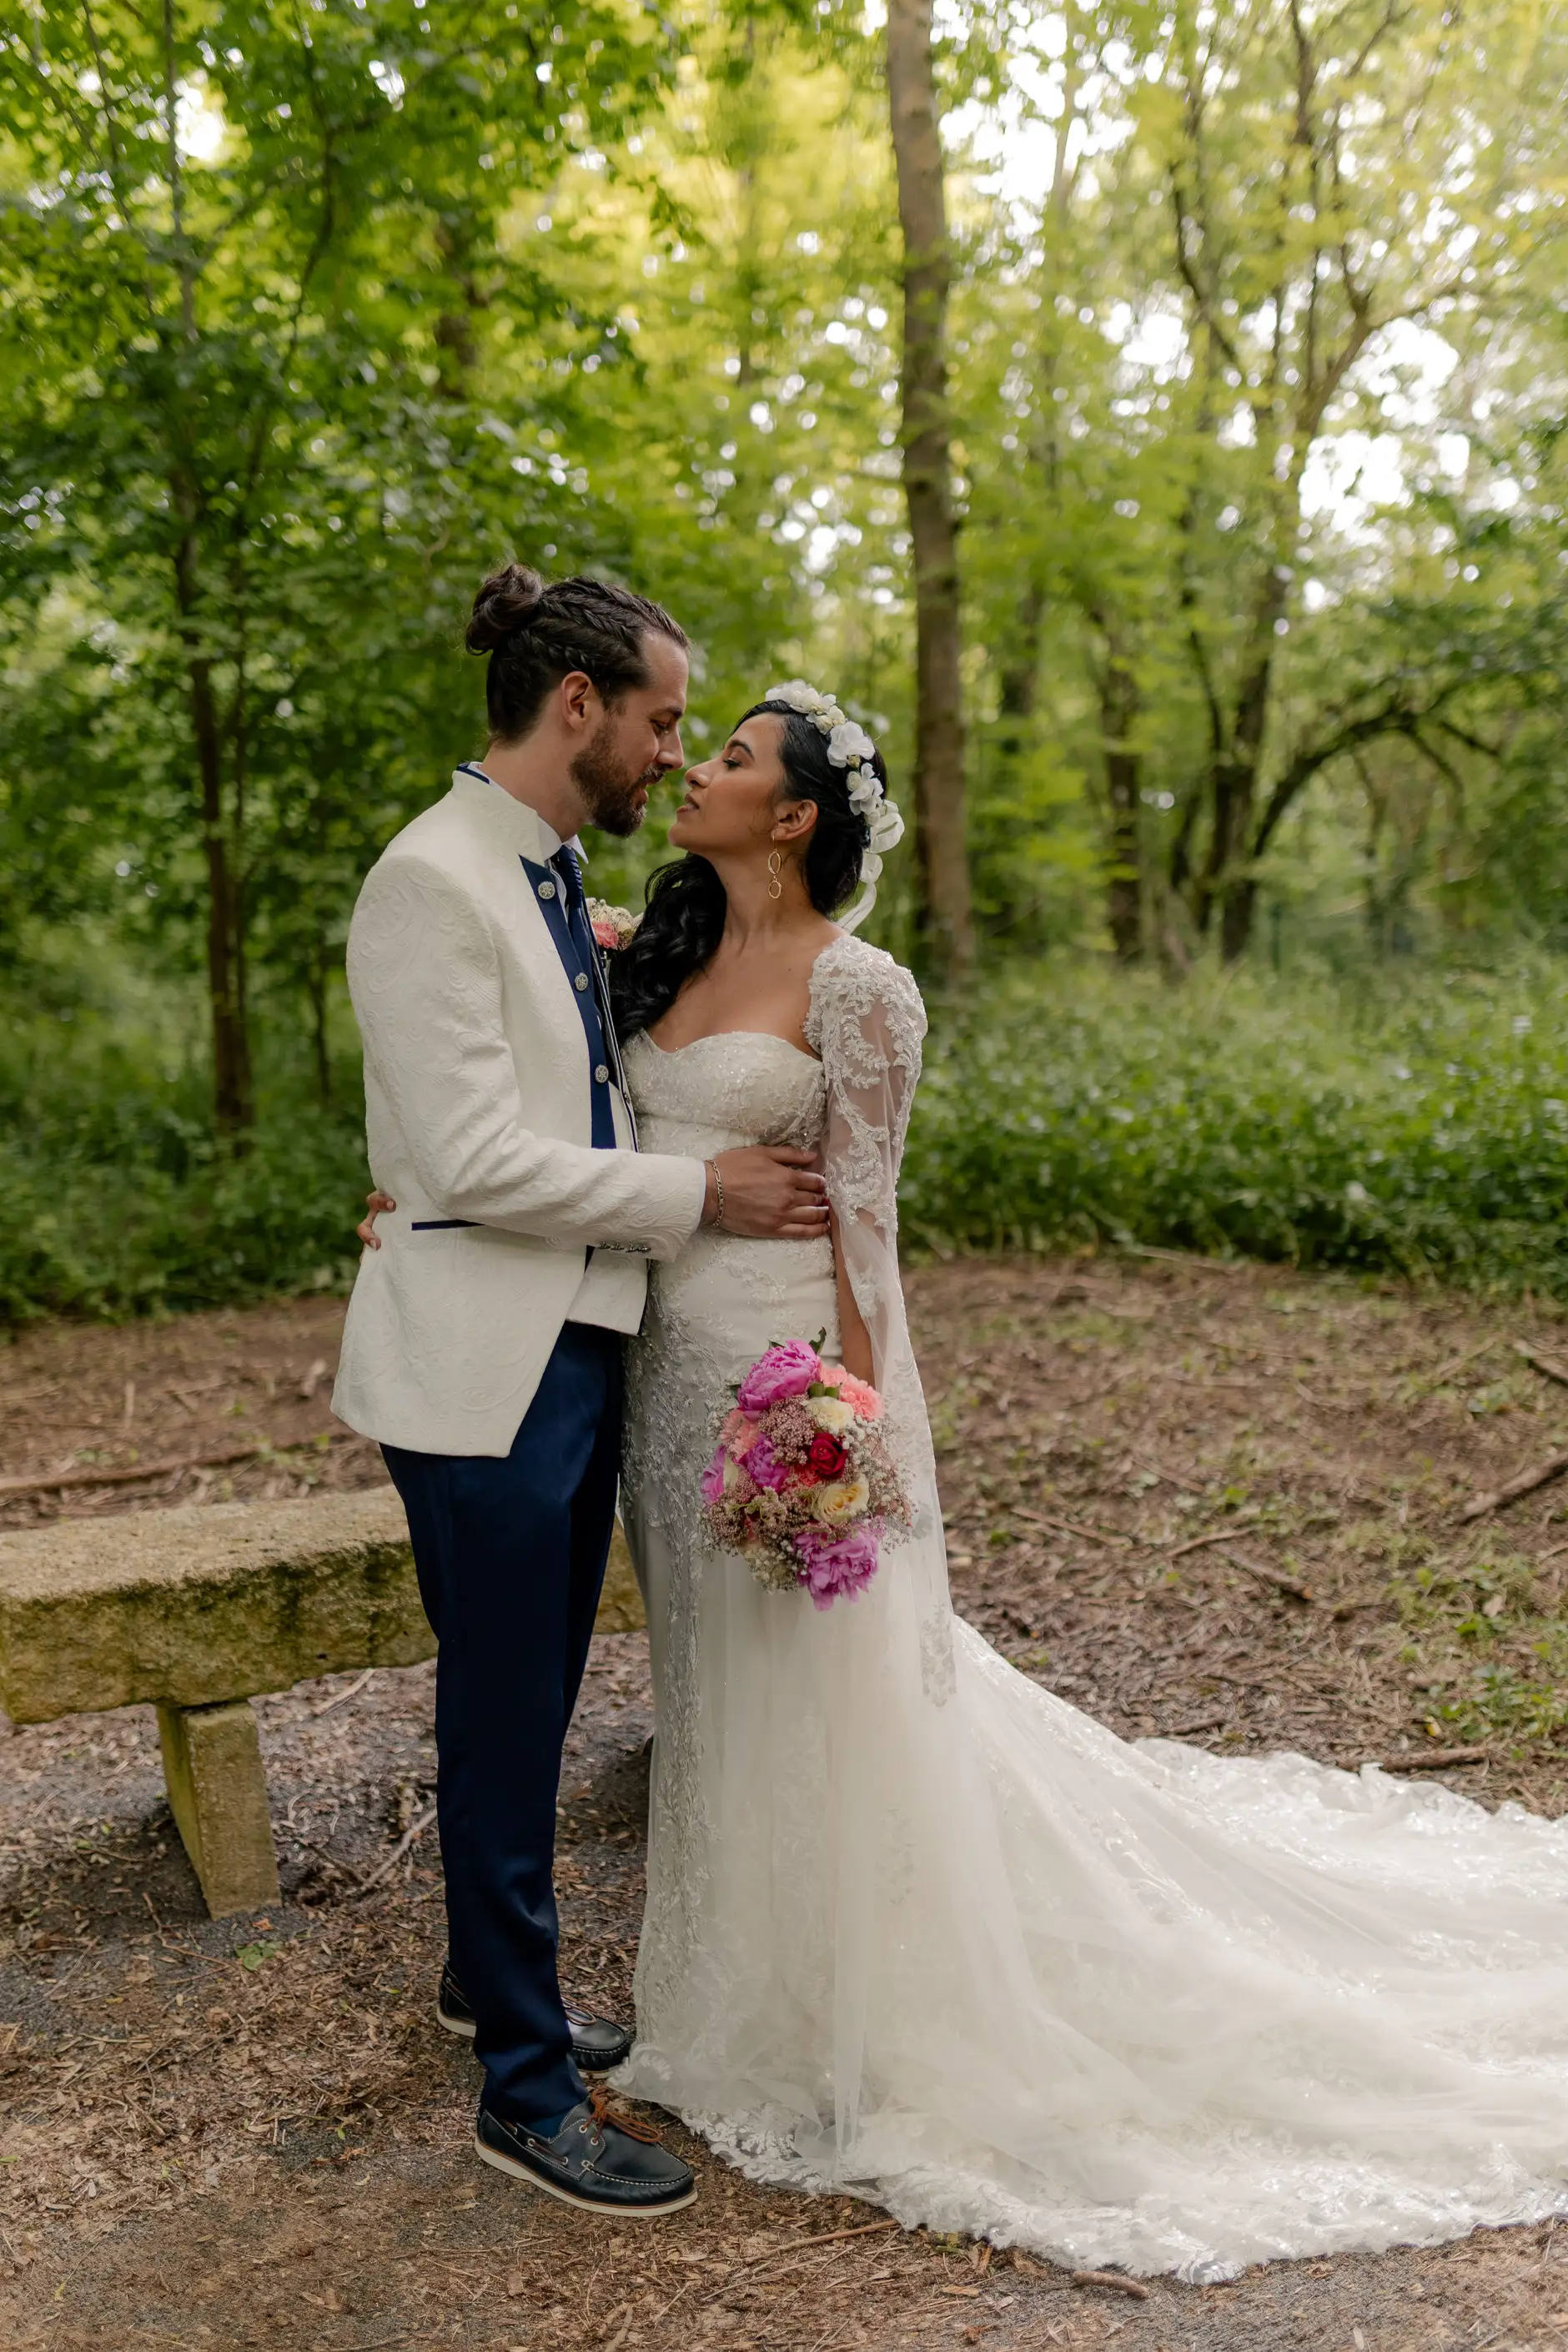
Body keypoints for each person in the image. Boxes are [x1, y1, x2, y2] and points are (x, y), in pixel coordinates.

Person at [362, 660, 1568, 2279]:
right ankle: (745, 1977)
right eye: (683, 740)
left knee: (826, 1683)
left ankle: (860, 2003)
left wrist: (853, 1422)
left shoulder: (863, 989)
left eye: (722, 755)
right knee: (719, 1689)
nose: (690, 768)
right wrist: (420, 1206)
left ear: (790, 816)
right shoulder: (649, 948)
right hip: (649, 1379)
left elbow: (868, 1219)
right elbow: (517, 1080)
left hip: (777, 1373)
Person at [333, 567, 831, 2219]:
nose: (667, 755)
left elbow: (557, 1099)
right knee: (497, 1716)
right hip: (484, 1365)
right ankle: (525, 2098)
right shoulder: (429, 883)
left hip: (572, 1337)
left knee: (533, 1704)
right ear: (576, 708)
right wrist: (706, 1202)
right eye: (661, 721)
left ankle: (499, 1990)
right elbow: (471, 1152)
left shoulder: (546, 880)